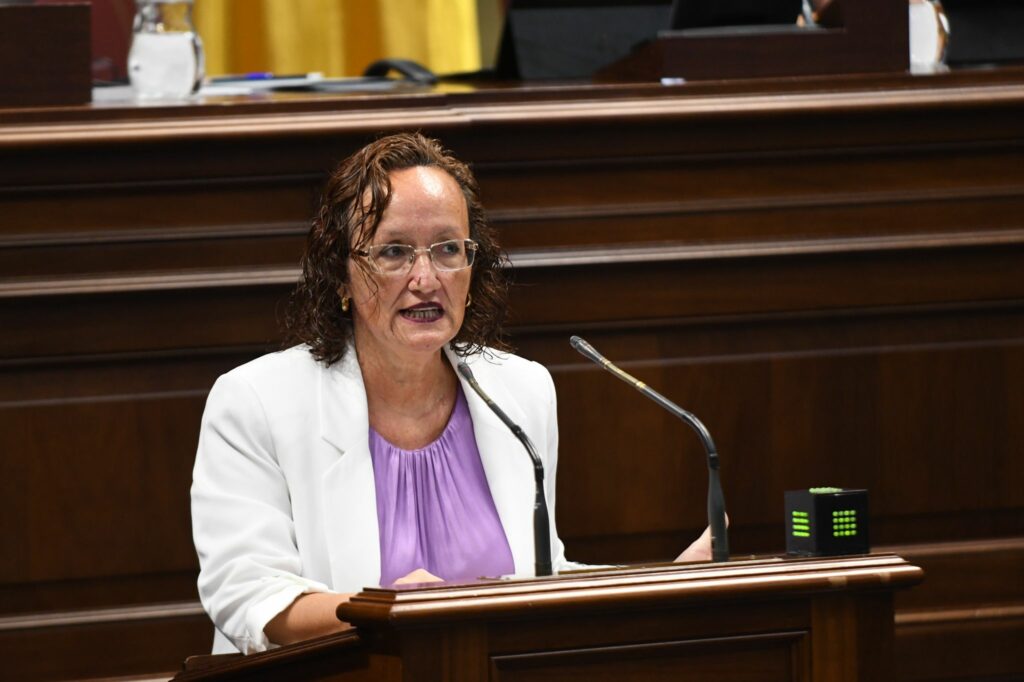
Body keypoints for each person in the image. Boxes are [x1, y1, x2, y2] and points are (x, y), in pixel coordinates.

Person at [191, 132, 713, 655]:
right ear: (341, 277)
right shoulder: (257, 401)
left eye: (447, 250)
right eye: (394, 252)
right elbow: (251, 598)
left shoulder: (521, 391)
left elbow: (540, 578)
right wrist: (389, 610)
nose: (425, 278)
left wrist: (660, 586)